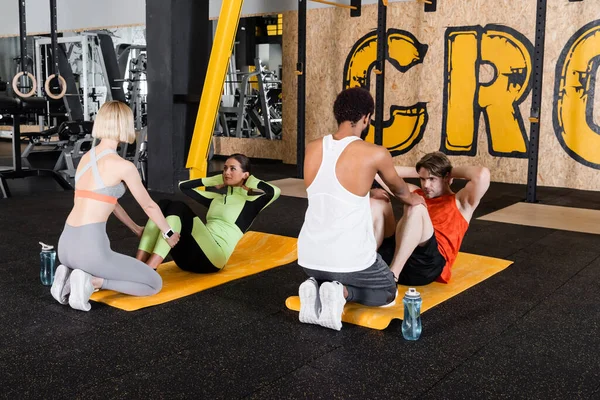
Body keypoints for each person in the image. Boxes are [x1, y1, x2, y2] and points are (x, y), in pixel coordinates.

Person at [297, 87, 426, 331]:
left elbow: (330, 188)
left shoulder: (312, 147)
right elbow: (399, 189)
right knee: (388, 291)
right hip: (348, 262)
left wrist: (367, 191)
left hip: (308, 258)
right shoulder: (375, 153)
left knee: (330, 266)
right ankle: (343, 293)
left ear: (338, 114)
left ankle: (316, 286)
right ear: (366, 117)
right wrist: (412, 200)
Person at [50, 101, 180, 312]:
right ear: (124, 125)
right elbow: (149, 206)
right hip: (90, 249)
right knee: (153, 283)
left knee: (93, 260)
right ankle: (92, 282)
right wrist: (169, 232)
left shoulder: (85, 159)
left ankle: (66, 274)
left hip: (65, 245)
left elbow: (108, 202)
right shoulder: (124, 166)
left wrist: (135, 228)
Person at [136, 154, 280, 273]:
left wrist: (251, 181)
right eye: (224, 169)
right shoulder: (216, 199)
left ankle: (149, 269)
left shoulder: (250, 203)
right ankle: (138, 264)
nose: (226, 172)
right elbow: (184, 187)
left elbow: (274, 192)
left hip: (213, 259)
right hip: (189, 257)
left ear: (245, 175)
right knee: (163, 205)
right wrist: (215, 179)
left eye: (232, 169)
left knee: (179, 208)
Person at [373, 151, 490, 285]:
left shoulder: (461, 202)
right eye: (423, 179)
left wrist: (447, 171)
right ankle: (365, 264)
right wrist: (422, 171)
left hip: (425, 267)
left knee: (416, 206)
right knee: (378, 200)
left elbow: (482, 175)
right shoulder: (416, 192)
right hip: (398, 255)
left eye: (432, 179)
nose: (426, 185)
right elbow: (377, 173)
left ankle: (391, 277)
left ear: (446, 177)